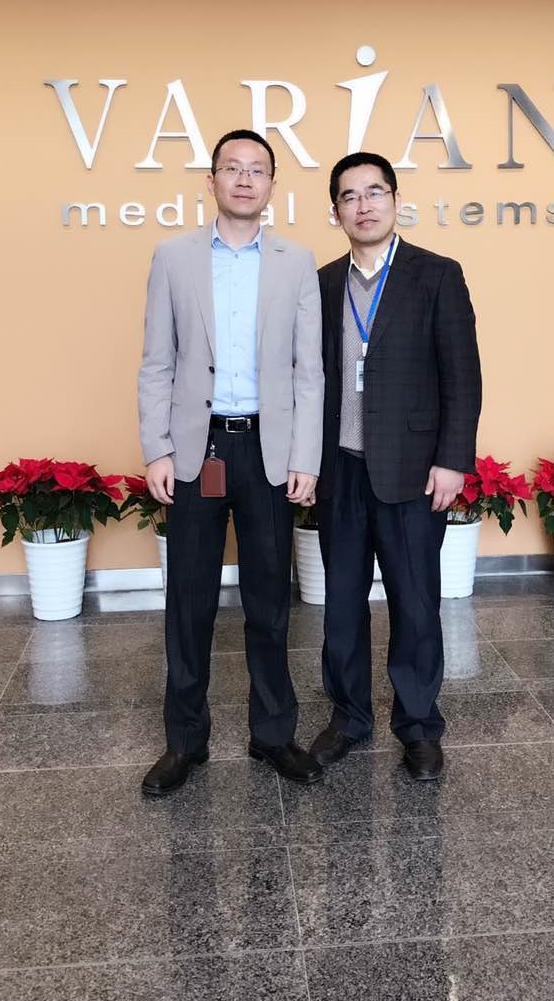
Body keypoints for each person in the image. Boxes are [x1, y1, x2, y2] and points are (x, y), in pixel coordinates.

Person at [138, 129, 325, 795]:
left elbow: (309, 370)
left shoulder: (296, 261)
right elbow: (156, 361)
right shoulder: (173, 257)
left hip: (269, 453)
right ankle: (185, 743)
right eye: (232, 168)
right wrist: (158, 448)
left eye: (257, 170)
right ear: (211, 179)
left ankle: (272, 734)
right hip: (199, 449)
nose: (245, 179)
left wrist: (305, 456)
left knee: (269, 601)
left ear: (272, 184)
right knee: (188, 602)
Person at [308, 152, 482, 781]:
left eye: (374, 192)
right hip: (340, 471)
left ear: (396, 201)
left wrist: (452, 461)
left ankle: (418, 725)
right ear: (335, 212)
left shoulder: (436, 275)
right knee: (341, 604)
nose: (364, 205)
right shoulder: (322, 284)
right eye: (349, 196)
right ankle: (349, 717)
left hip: (412, 472)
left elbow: (462, 376)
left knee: (415, 602)